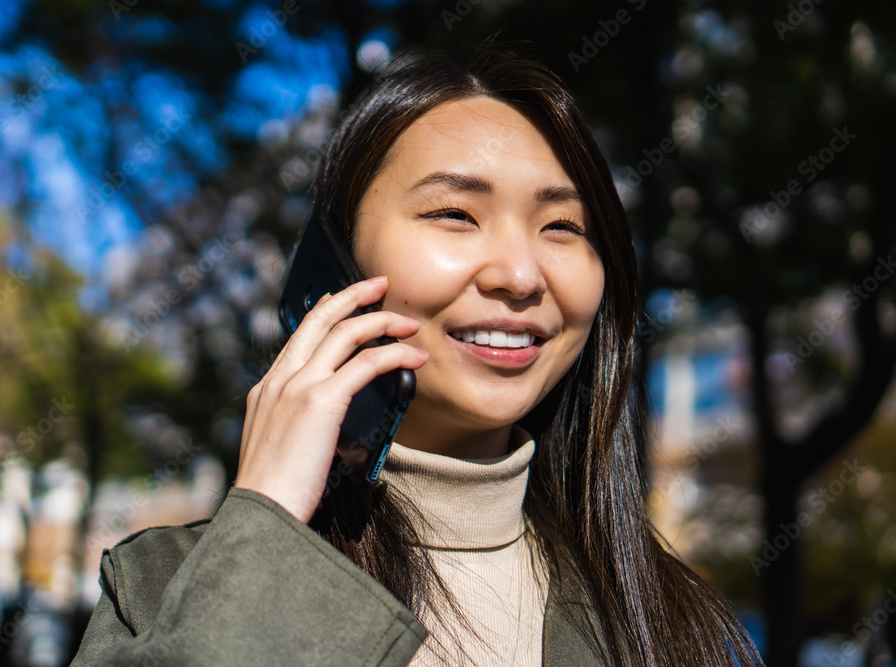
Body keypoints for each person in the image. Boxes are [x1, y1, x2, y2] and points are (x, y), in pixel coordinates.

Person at [71, 45, 763, 666]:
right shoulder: (157, 589)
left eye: (562, 226)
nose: (520, 276)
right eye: (455, 214)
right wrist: (269, 522)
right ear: (333, 264)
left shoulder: (674, 627)